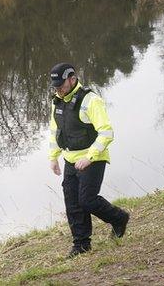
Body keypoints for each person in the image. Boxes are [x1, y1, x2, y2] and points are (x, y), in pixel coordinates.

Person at [48, 62, 130, 257]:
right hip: (70, 160)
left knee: (87, 200)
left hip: (93, 158)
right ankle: (81, 244)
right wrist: (53, 157)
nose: (59, 89)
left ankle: (119, 218)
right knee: (73, 204)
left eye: (62, 84)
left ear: (72, 79)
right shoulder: (57, 102)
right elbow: (55, 131)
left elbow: (106, 133)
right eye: (55, 86)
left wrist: (89, 157)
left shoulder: (91, 100)